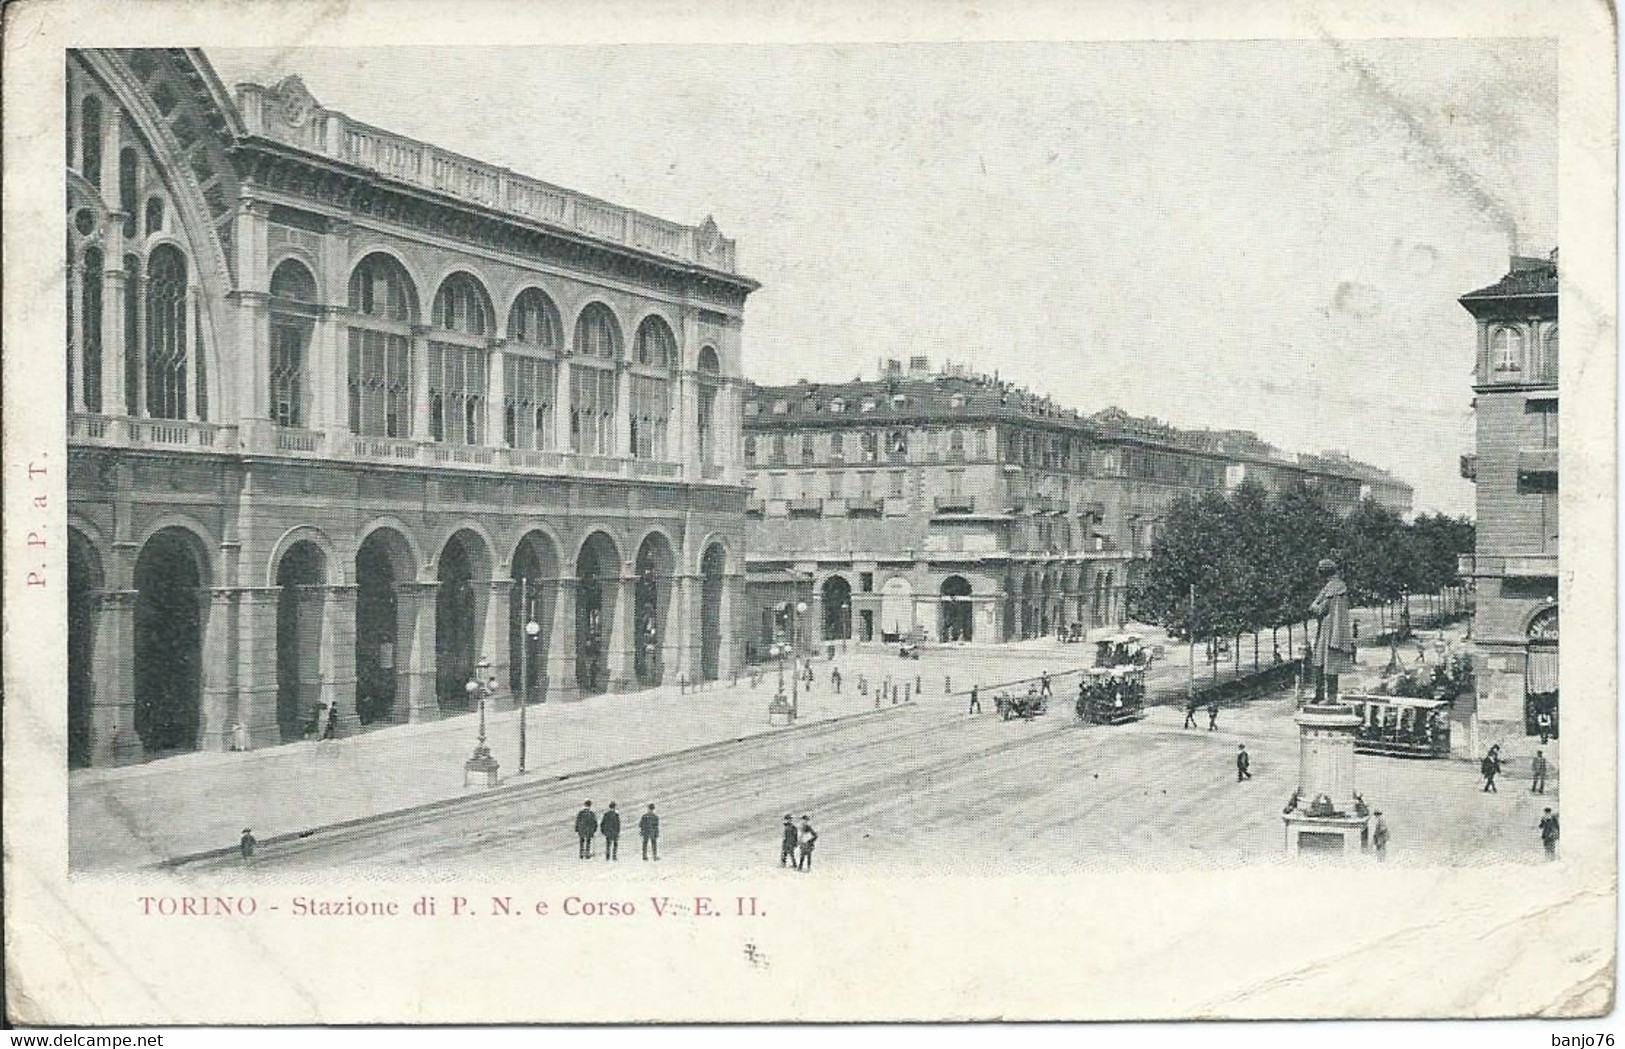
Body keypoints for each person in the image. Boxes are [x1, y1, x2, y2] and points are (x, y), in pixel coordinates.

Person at [1308, 558, 1354, 705]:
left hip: (1330, 629)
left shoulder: (1334, 587)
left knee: (1326, 662)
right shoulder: (1337, 585)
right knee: (1323, 662)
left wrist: (1315, 605)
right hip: (1332, 628)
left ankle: (1326, 696)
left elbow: (1319, 608)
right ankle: (1323, 695)